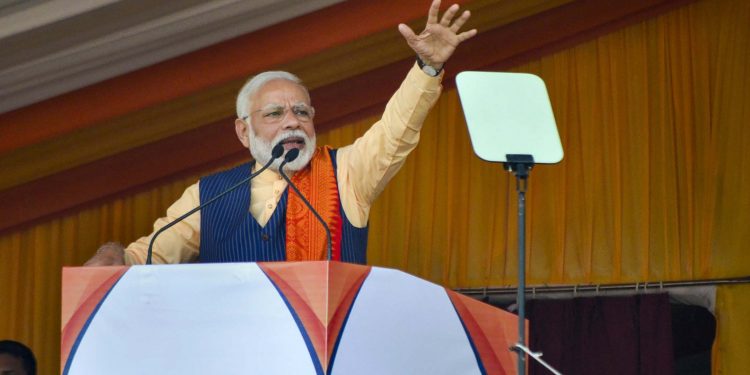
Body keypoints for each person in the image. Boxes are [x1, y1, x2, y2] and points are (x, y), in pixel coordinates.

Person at [85, 0, 477, 266]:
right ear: (243, 131)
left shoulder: (347, 174)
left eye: (301, 112)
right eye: (274, 113)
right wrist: (112, 253)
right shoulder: (208, 194)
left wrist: (427, 69)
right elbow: (146, 257)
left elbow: (396, 131)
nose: (292, 121)